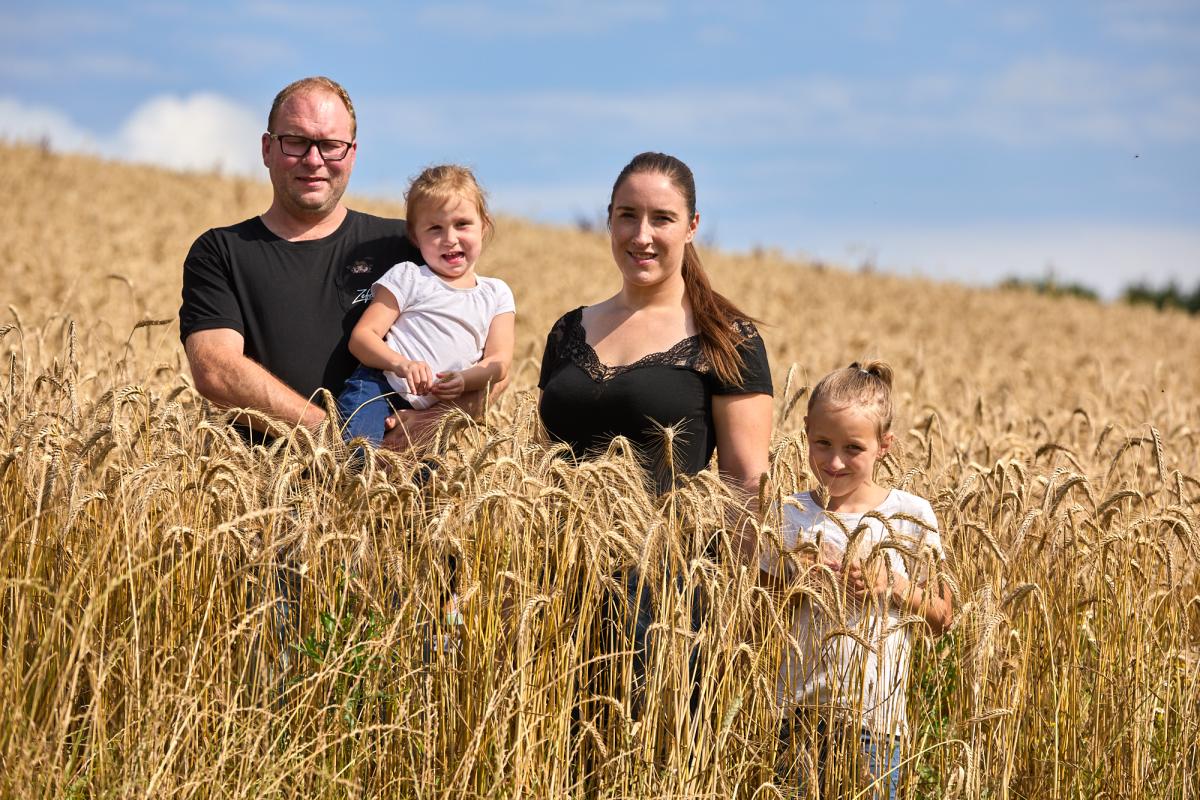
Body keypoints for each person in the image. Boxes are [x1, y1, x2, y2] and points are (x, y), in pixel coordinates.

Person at [537, 151, 774, 718]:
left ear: (692, 227)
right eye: (627, 215)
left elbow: (746, 483)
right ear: (609, 220)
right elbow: (543, 462)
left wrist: (738, 608)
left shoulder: (725, 339)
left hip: (666, 596)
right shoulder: (568, 330)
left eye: (662, 218)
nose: (642, 235)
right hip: (560, 582)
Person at [179, 75, 422, 444]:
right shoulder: (221, 252)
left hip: (394, 493)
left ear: (352, 155)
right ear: (267, 148)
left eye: (330, 145)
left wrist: (434, 421)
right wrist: (340, 442)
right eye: (296, 142)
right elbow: (215, 369)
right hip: (263, 491)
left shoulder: (404, 245)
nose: (314, 159)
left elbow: (483, 350)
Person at [762, 361, 954, 800]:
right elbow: (762, 610)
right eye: (822, 443)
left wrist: (893, 584)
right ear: (806, 429)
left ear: (884, 445)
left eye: (853, 448)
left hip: (877, 725)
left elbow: (943, 617)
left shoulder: (911, 516)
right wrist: (799, 584)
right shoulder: (790, 513)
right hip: (799, 714)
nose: (834, 461)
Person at [336, 165, 515, 450]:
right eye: (435, 228)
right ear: (415, 236)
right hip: (379, 388)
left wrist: (464, 380)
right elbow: (362, 337)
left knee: (423, 486)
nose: (450, 238)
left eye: (463, 224)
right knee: (356, 457)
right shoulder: (409, 276)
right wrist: (401, 363)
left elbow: (500, 362)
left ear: (484, 225)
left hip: (436, 407)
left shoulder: (496, 294)